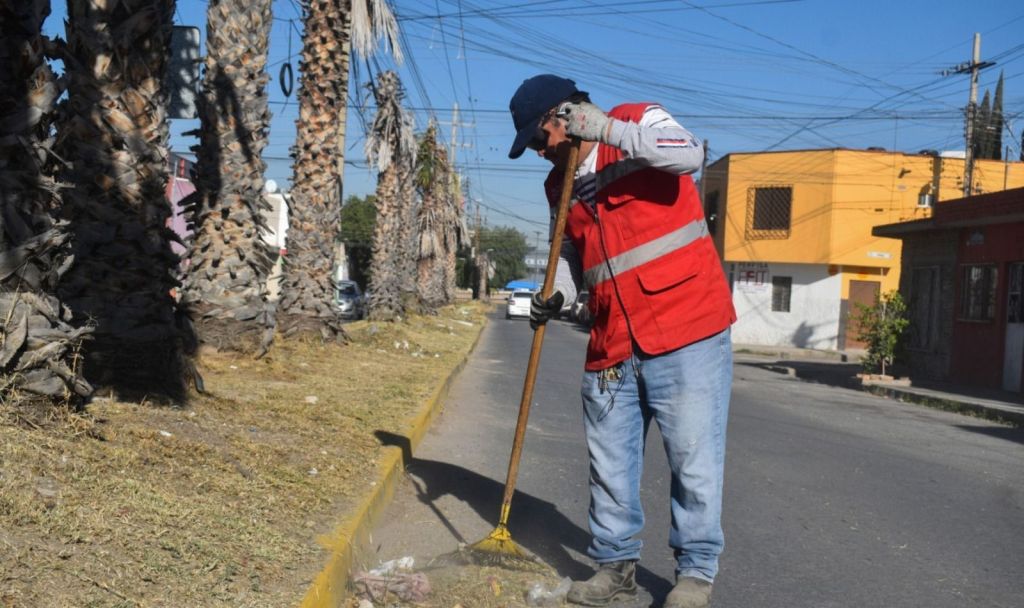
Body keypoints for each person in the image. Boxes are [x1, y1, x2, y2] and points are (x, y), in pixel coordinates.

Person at [507, 74, 736, 608]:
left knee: (693, 459)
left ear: (565, 117)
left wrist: (607, 129)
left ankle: (695, 575)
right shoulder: (556, 186)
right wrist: (557, 296)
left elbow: (689, 155)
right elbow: (567, 255)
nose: (542, 155)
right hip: (612, 339)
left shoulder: (636, 120)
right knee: (609, 463)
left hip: (688, 328)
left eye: (541, 140)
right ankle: (615, 568)